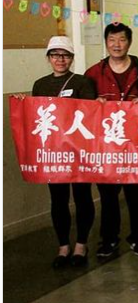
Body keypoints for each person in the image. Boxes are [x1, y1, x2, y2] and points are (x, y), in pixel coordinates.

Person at [17, 36, 97, 268]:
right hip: (53, 154)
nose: (60, 60)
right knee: (58, 200)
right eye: (55, 55)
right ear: (48, 58)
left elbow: (90, 114)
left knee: (82, 197)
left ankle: (81, 244)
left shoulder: (83, 82)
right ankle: (63, 246)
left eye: (65, 55)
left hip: (79, 152)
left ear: (72, 58)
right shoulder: (40, 84)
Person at [85, 23, 138, 258]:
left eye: (122, 39)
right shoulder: (94, 72)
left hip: (134, 142)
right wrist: (94, 104)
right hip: (106, 145)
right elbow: (83, 106)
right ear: (106, 43)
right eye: (112, 40)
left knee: (135, 192)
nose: (117, 44)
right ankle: (109, 239)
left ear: (130, 42)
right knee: (107, 195)